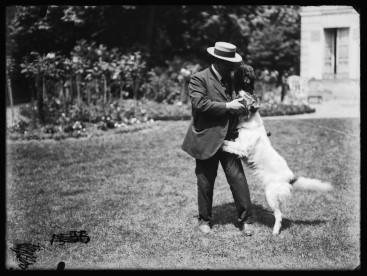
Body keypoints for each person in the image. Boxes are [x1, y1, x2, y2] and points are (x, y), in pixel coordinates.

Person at [181, 42, 254, 236]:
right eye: (229, 63)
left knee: (237, 178)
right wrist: (229, 106)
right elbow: (199, 104)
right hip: (206, 138)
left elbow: (243, 97)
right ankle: (204, 220)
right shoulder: (199, 79)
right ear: (218, 61)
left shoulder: (231, 78)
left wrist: (247, 102)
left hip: (229, 138)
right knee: (205, 181)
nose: (233, 67)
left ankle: (246, 220)